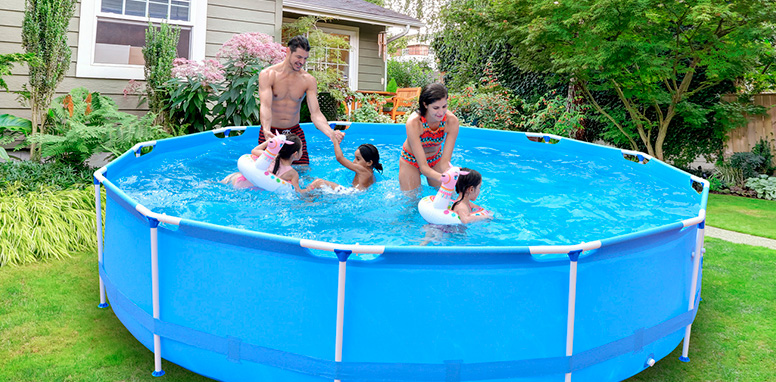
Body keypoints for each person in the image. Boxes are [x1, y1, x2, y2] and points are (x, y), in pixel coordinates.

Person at [254, 35, 344, 165]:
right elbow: (266, 106)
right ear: (288, 51)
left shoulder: (308, 80)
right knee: (269, 172)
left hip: (295, 132)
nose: (301, 62)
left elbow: (316, 114)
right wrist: (266, 130)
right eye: (299, 57)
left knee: (303, 172)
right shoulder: (268, 75)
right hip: (272, 133)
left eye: (305, 58)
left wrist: (331, 133)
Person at [399, 83, 460, 191]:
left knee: (446, 194)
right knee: (411, 200)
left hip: (435, 159)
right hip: (411, 160)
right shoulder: (414, 123)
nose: (441, 112)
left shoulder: (451, 122)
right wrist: (443, 177)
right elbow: (423, 167)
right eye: (436, 108)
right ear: (425, 104)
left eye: (444, 106)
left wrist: (451, 173)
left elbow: (445, 162)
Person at [222, 134, 308, 193]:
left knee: (235, 175)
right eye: (302, 149)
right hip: (255, 190)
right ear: (295, 154)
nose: (303, 152)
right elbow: (297, 193)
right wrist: (312, 187)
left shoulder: (271, 157)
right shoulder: (293, 174)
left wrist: (269, 142)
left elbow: (254, 151)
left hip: (240, 182)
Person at [308, 138, 383, 192]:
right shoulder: (370, 173)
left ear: (369, 162)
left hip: (351, 194)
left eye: (358, 159)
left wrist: (335, 141)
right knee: (319, 188)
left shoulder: (363, 170)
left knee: (318, 182)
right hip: (355, 194)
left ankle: (303, 195)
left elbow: (339, 158)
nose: (354, 161)